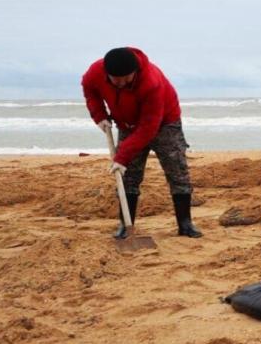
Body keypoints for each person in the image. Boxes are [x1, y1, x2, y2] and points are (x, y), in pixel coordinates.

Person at [81, 47, 202, 238]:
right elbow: (89, 90)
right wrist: (99, 115)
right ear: (106, 74)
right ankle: (125, 225)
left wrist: (121, 157)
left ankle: (185, 224)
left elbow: (148, 128)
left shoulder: (151, 82)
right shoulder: (95, 72)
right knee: (128, 176)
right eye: (116, 80)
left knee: (177, 171)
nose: (121, 84)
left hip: (164, 123)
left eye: (126, 79)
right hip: (127, 124)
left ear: (135, 71)